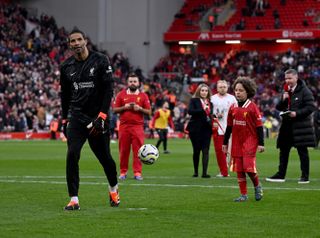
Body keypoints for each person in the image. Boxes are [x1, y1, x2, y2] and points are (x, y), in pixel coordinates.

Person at [60, 28, 120, 210]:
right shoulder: (66, 66)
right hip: (77, 118)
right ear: (69, 45)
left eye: (79, 39)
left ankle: (113, 189)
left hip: (97, 118)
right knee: (72, 155)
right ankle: (74, 199)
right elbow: (65, 95)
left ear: (85, 40)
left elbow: (109, 90)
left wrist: (102, 115)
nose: (76, 43)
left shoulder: (101, 60)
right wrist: (64, 119)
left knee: (105, 159)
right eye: (73, 41)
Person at [266, 69, 316, 184]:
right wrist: (283, 100)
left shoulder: (305, 91)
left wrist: (296, 113)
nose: (287, 81)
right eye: (286, 78)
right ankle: (280, 175)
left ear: (296, 78)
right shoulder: (285, 90)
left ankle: (305, 176)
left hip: (300, 126)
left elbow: (311, 107)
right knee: (283, 150)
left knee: (302, 151)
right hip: (286, 126)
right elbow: (279, 107)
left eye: (290, 78)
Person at [222, 77, 265, 202]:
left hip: (250, 140)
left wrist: (261, 143)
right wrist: (225, 142)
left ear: (248, 92)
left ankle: (257, 186)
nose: (238, 92)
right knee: (239, 169)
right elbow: (229, 126)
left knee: (248, 167)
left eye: (241, 90)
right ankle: (243, 195)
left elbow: (259, 126)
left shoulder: (252, 107)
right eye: (236, 90)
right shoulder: (233, 107)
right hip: (236, 141)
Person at [113, 73, 151, 181]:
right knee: (123, 151)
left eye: (135, 81)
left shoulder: (143, 96)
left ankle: (137, 173)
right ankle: (123, 172)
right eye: (131, 81)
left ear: (138, 83)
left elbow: (149, 111)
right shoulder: (121, 94)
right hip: (124, 127)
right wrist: (125, 107)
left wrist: (139, 109)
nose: (133, 83)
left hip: (137, 127)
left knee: (138, 151)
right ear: (127, 82)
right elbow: (115, 110)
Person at [210, 80, 237, 177]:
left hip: (230, 128)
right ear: (217, 88)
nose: (222, 88)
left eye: (224, 87)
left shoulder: (232, 98)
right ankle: (224, 172)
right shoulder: (212, 99)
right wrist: (215, 116)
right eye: (220, 87)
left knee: (229, 151)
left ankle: (227, 170)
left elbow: (237, 111)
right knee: (219, 151)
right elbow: (209, 113)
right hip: (218, 128)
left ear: (227, 87)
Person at [186, 83, 213, 178]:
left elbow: (211, 114)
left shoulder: (211, 102)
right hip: (195, 129)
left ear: (208, 92)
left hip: (207, 129)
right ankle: (196, 172)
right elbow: (190, 111)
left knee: (206, 150)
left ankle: (204, 173)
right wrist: (202, 109)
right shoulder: (194, 100)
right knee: (196, 150)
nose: (204, 92)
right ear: (199, 91)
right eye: (202, 90)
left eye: (206, 90)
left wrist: (215, 116)